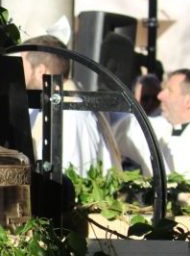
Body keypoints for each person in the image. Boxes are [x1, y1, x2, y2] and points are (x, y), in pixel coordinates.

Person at [22, 35, 120, 176]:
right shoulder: (49, 108)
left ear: (40, 71)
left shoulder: (71, 114)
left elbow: (76, 176)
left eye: (22, 67)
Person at [115, 69, 190, 177]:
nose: (160, 96)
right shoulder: (159, 127)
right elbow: (117, 125)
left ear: (189, 101)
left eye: (169, 90)